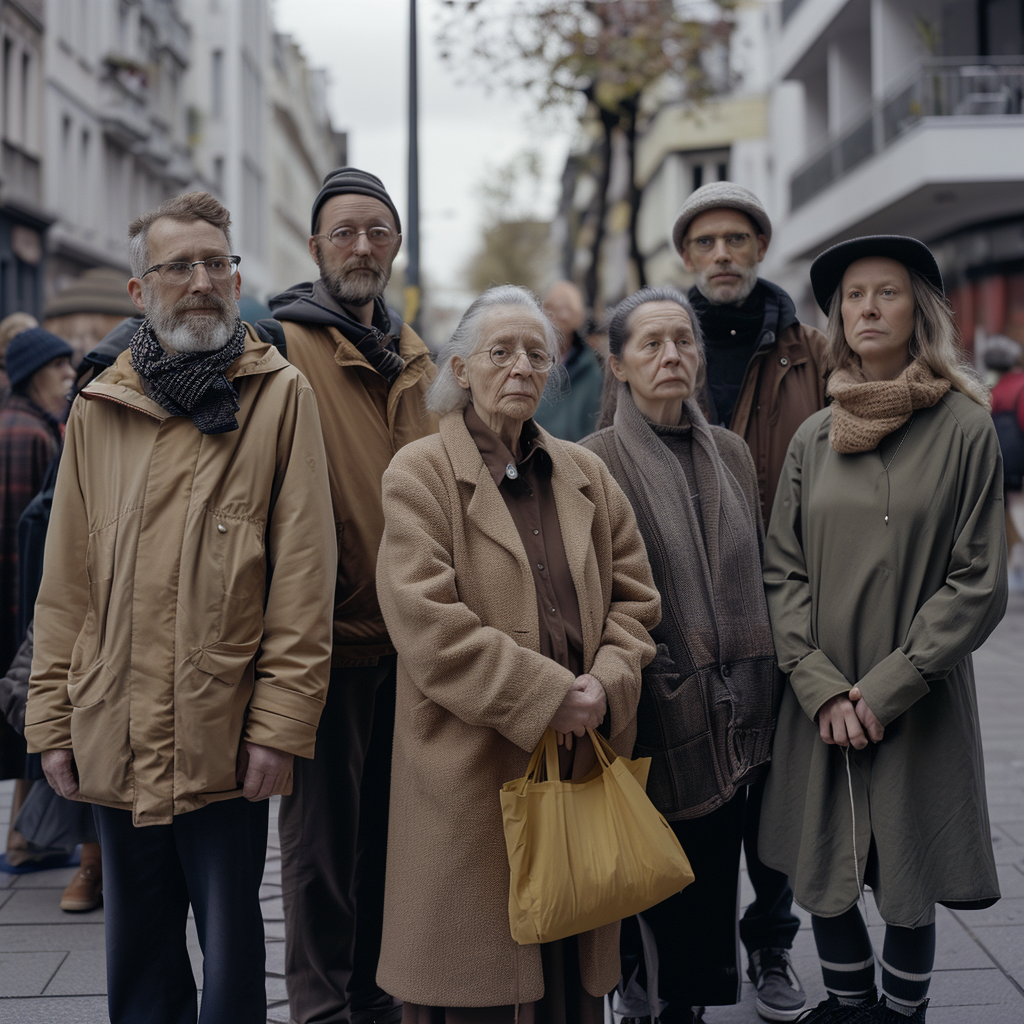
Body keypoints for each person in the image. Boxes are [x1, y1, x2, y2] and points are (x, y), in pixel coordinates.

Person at [24, 191, 336, 1024]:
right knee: (139, 955)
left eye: (217, 264)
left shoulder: (279, 396)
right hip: (112, 721)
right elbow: (66, 586)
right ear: (141, 291)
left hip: (224, 730)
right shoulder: (96, 407)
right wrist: (50, 720)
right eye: (180, 267)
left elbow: (304, 581)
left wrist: (278, 723)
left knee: (235, 957)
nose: (203, 281)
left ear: (236, 278)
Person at [374, 284, 661, 1022]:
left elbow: (637, 602)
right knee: (478, 983)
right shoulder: (419, 474)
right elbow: (428, 625)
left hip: (575, 770)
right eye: (500, 352)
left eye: (536, 353)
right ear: (461, 369)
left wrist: (605, 681)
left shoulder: (586, 473)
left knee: (567, 975)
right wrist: (547, 695)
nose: (521, 367)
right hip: (472, 771)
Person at [760, 235, 1007, 1023]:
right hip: (822, 693)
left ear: (919, 312)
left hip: (915, 691)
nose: (868, 308)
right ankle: (849, 1005)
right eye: (854, 296)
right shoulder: (811, 438)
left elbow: (979, 578)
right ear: (837, 317)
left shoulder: (967, 428)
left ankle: (901, 1015)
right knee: (823, 859)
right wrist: (821, 687)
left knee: (908, 866)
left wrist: (891, 687)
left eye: (887, 293)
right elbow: (782, 571)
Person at [579, 287, 780, 1024]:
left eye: (684, 342)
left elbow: (755, 569)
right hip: (652, 710)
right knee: (649, 888)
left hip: (741, 707)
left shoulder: (727, 450)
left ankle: (684, 1006)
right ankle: (642, 999)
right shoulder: (593, 460)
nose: (672, 356)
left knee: (711, 885)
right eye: (652, 344)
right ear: (620, 364)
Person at [269, 167, 438, 1024]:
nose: (362, 245)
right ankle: (320, 1008)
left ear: (396, 242)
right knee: (319, 853)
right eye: (344, 232)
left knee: (389, 844)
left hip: (412, 648)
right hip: (323, 645)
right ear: (316, 249)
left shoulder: (415, 356)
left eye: (377, 229)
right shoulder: (278, 343)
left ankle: (377, 997)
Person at [672, 182, 828, 1022]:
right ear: (686, 256)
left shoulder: (811, 351)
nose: (723, 254)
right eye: (706, 242)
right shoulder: (656, 342)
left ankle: (771, 947)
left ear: (761, 247)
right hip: (685, 613)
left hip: (783, 608)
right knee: (692, 796)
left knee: (775, 797)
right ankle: (682, 967)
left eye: (737, 238)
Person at [0, 327, 75, 869]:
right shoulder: (35, 434)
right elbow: (41, 533)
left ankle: (22, 838)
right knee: (31, 719)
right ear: (35, 376)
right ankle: (25, 841)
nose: (68, 377)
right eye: (59, 369)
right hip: (22, 602)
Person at [533, 280, 604, 441]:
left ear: (579, 316)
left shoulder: (594, 367)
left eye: (569, 309)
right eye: (555, 308)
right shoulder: (530, 361)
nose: (563, 316)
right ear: (544, 310)